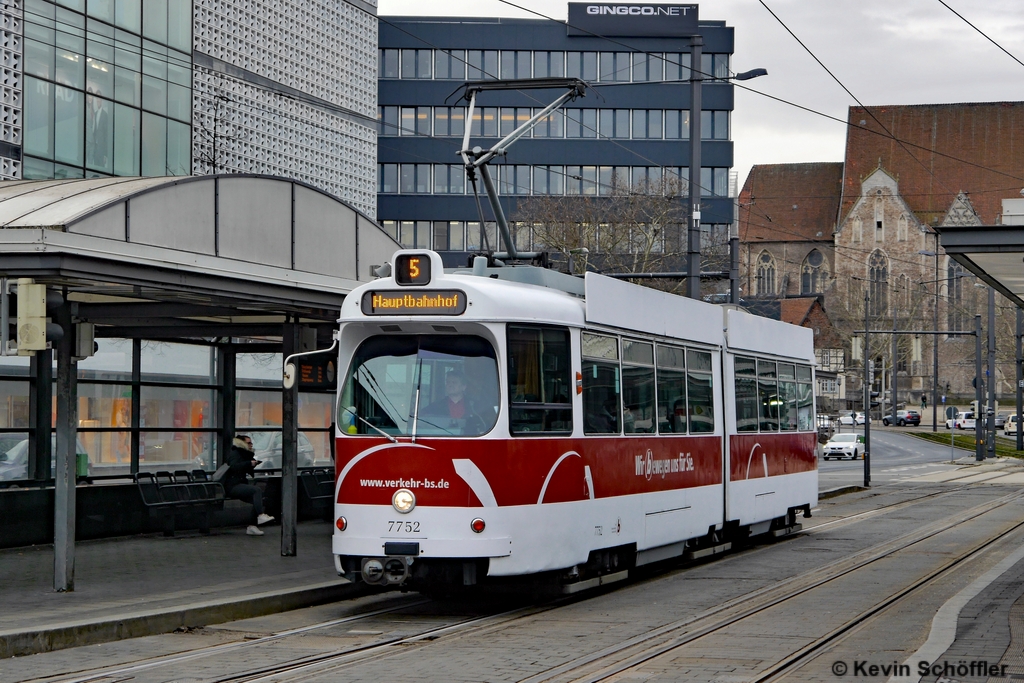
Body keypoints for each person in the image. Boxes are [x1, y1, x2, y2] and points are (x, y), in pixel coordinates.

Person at [225, 434, 274, 536]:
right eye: (249, 443)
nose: (251, 445)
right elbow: (234, 467)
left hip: (239, 484)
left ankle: (252, 526)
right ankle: (260, 515)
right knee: (257, 490)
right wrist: (249, 464)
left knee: (257, 500)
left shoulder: (243, 454)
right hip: (233, 486)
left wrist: (252, 464)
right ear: (242, 443)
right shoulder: (236, 453)